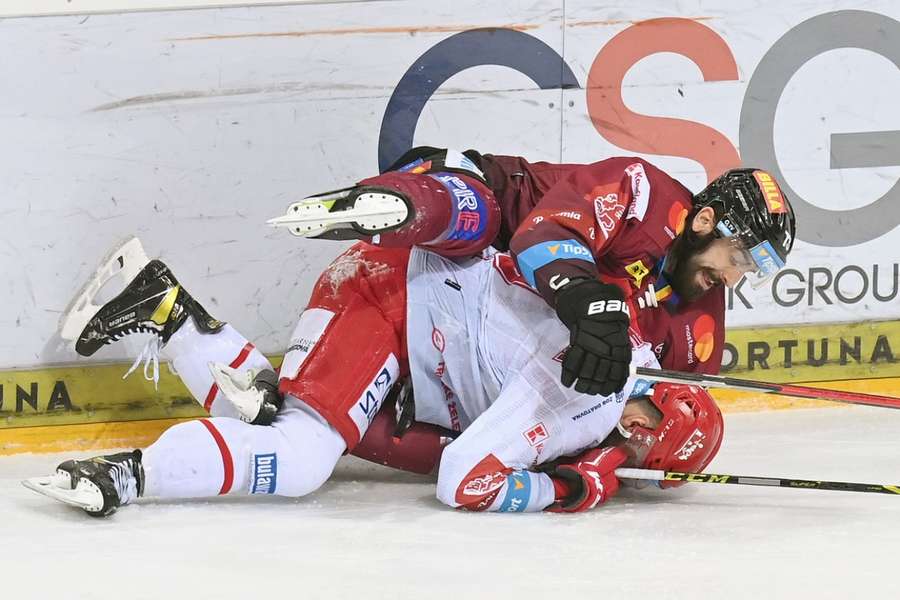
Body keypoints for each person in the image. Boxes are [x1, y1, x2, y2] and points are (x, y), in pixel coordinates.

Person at [24, 237, 722, 517]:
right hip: (389, 300)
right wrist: (572, 485)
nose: (627, 445)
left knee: (277, 421)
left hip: (404, 303)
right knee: (299, 460)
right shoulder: (586, 405)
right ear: (636, 423)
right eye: (637, 448)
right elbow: (464, 481)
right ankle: (123, 475)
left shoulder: (622, 357)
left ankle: (166, 310)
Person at [269, 147, 797, 396]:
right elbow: (543, 239)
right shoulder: (645, 192)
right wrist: (592, 305)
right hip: (485, 218)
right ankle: (399, 203)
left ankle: (305, 402)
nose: (735, 279)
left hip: (478, 312)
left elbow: (680, 394)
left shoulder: (701, 306)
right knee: (480, 216)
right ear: (705, 221)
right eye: (740, 258)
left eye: (753, 271)